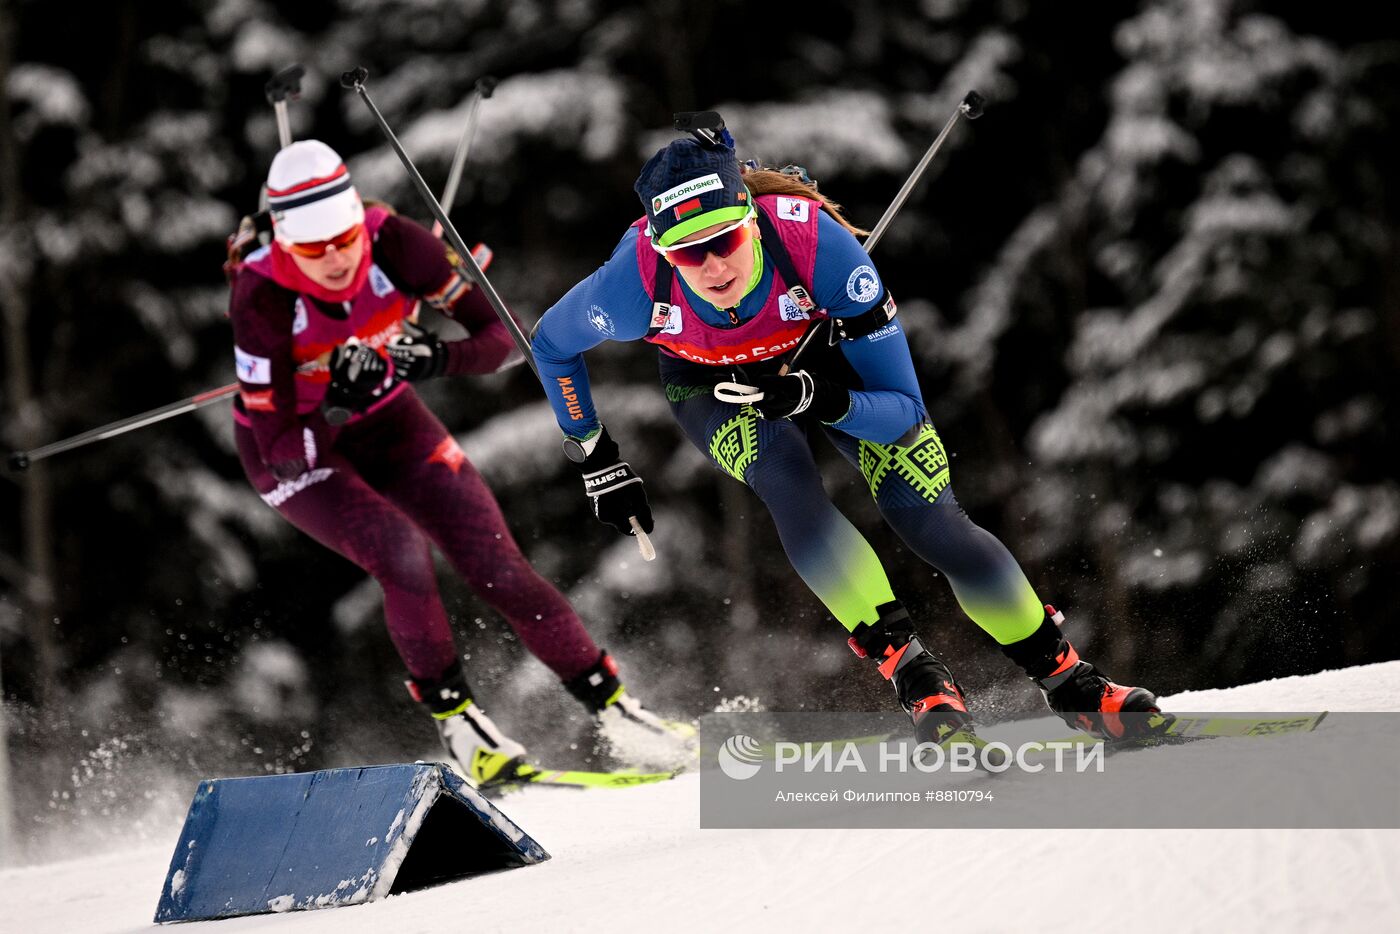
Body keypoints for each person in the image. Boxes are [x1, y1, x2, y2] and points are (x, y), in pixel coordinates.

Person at [529, 127, 1163, 748]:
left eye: (723, 239)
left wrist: (816, 396)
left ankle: (1071, 683)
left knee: (931, 522)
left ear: (749, 218)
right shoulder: (632, 284)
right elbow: (552, 348)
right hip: (709, 382)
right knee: (785, 478)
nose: (713, 264)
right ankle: (918, 679)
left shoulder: (820, 251)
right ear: (663, 252)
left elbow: (903, 414)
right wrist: (597, 458)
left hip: (826, 357)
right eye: (688, 253)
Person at [226, 139, 690, 788]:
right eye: (312, 250)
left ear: (359, 220)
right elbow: (277, 443)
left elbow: (504, 339)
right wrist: (333, 389)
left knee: (498, 563)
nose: (334, 259)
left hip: (392, 420)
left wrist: (435, 359)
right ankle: (460, 725)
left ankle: (617, 713)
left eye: (342, 240)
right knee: (401, 553)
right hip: (305, 453)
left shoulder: (398, 244)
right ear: (284, 245)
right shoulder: (261, 294)